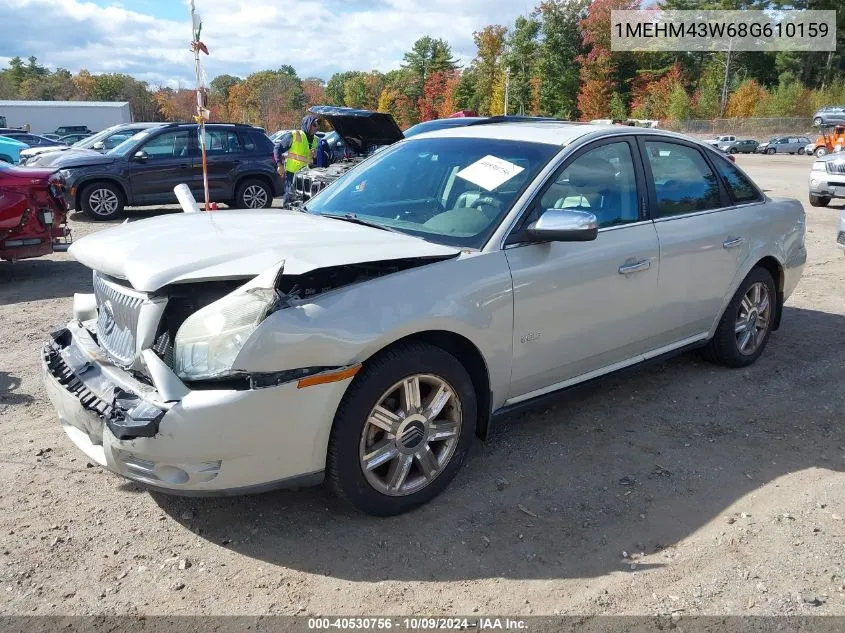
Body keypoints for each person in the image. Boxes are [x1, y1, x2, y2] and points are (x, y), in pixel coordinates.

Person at [273, 115, 320, 205]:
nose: (317, 127)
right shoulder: (295, 135)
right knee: (290, 200)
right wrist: (279, 165)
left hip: (308, 176)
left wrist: (315, 156)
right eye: (314, 124)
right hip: (292, 176)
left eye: (317, 125)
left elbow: (313, 159)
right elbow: (277, 148)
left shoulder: (315, 140)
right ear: (308, 124)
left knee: (305, 202)